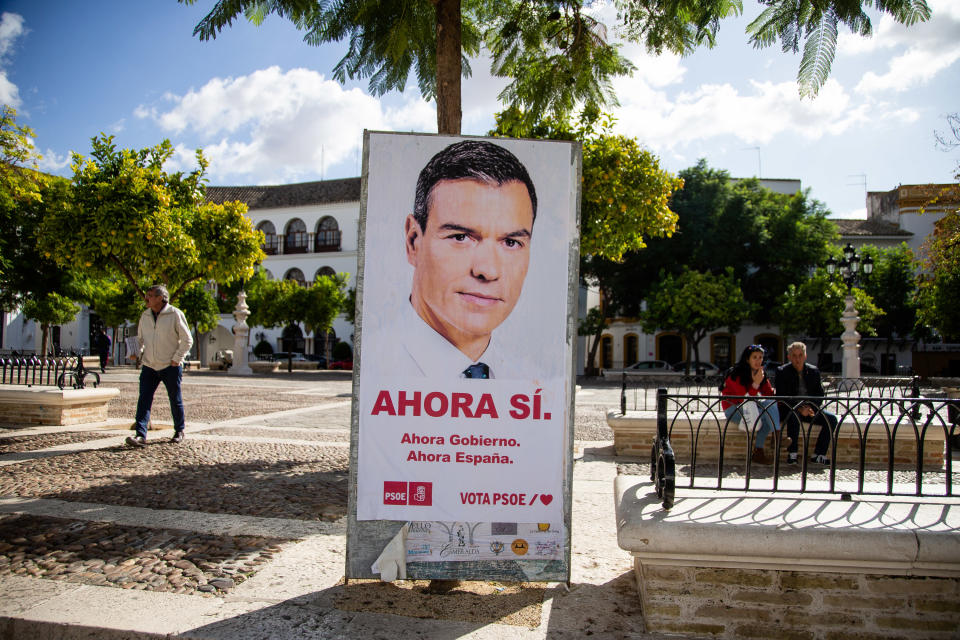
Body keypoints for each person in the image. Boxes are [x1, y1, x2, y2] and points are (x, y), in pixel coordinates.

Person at [392, 139, 537, 379]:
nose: (487, 270)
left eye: (511, 242)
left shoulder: (532, 385)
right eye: (461, 237)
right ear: (414, 241)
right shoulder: (379, 368)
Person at [125, 284, 193, 447]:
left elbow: (187, 340)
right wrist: (137, 353)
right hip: (149, 365)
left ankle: (179, 430)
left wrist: (177, 358)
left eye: (150, 295)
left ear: (161, 298)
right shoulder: (145, 316)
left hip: (170, 365)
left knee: (174, 399)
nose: (146, 298)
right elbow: (141, 339)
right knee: (144, 400)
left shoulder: (175, 314)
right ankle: (140, 435)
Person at [775, 341, 837, 465]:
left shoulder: (813, 371)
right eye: (794, 355)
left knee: (831, 419)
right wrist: (799, 408)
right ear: (789, 357)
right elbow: (782, 395)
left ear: (805, 356)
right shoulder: (782, 371)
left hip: (809, 409)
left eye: (800, 355)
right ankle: (792, 454)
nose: (798, 359)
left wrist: (810, 407)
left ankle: (819, 454)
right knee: (794, 416)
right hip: (789, 409)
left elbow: (819, 394)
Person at [721, 345, 784, 465]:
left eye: (760, 357)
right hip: (734, 409)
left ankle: (759, 452)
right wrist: (756, 383)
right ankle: (777, 437)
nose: (758, 360)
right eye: (754, 357)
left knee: (768, 410)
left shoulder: (760, 373)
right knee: (767, 414)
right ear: (747, 359)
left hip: (752, 408)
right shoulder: (735, 374)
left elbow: (769, 395)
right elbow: (744, 398)